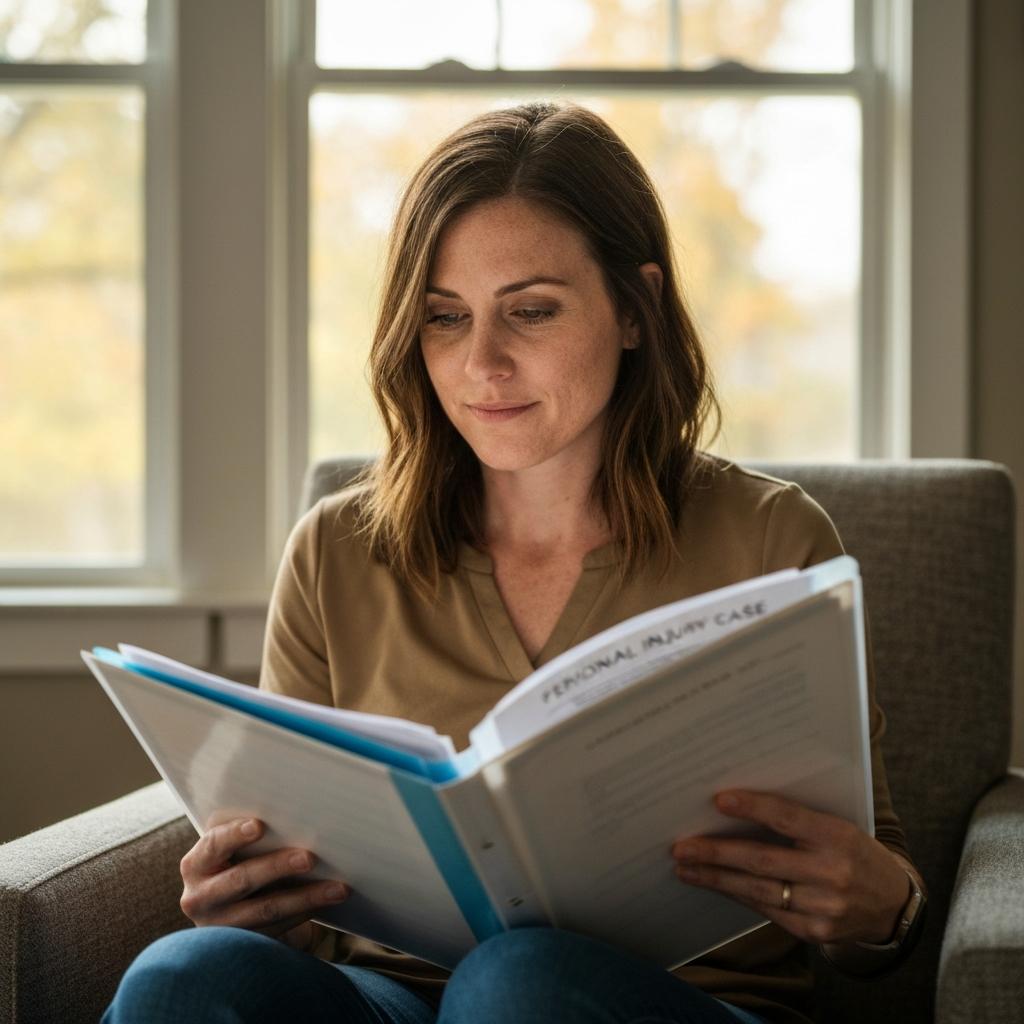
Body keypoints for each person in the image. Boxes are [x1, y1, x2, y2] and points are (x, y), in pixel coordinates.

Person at [103, 100, 926, 1024]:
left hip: (669, 1005)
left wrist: (877, 907)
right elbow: (289, 882)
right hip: (390, 1000)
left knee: (518, 986)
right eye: (445, 318)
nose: (480, 364)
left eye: (530, 311)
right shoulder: (337, 550)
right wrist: (254, 907)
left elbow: (871, 904)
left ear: (635, 309)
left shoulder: (771, 540)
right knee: (188, 973)